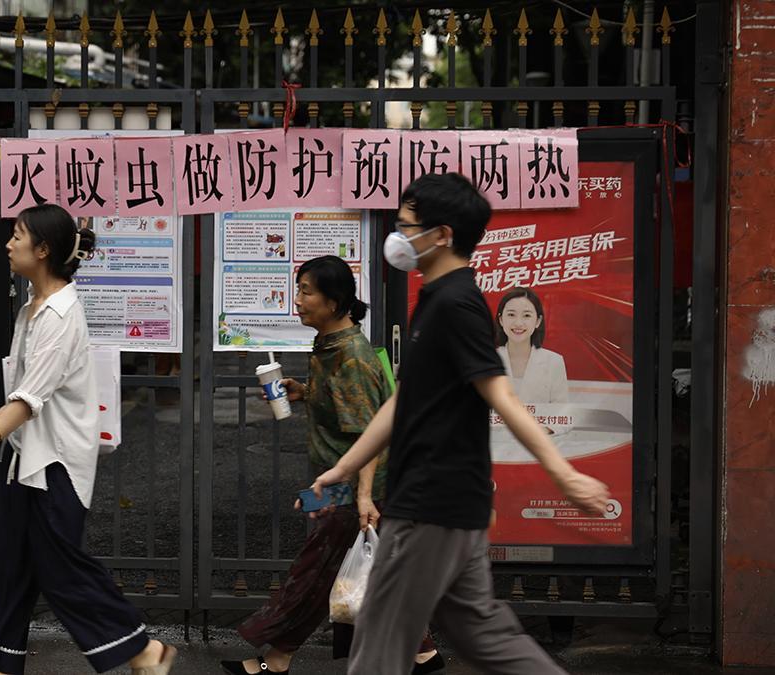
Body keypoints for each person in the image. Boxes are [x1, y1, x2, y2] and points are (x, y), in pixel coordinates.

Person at [311, 173, 610, 675]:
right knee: (482, 634)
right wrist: (344, 467)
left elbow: (502, 395)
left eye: (407, 226)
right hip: (449, 503)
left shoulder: (457, 304)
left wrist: (563, 474)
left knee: (379, 644)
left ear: (442, 235)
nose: (398, 236)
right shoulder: (436, 297)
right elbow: (405, 399)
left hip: (432, 502)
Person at [0, 204, 177, 675]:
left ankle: (143, 650)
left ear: (43, 250)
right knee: (10, 567)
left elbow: (29, 399)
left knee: (62, 569)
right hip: (28, 460)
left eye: (18, 236)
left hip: (55, 465)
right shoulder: (36, 306)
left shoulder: (58, 315)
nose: (8, 244)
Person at [220, 256, 442, 675]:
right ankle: (422, 653)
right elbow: (347, 407)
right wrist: (305, 392)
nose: (297, 301)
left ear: (336, 301)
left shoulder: (351, 357)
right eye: (298, 289)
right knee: (363, 574)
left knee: (315, 574)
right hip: (347, 483)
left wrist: (362, 499)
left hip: (357, 487)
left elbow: (367, 435)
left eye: (306, 291)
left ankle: (276, 660)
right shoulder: (332, 345)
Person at [495, 287, 569, 404]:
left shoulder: (554, 362)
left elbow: (560, 414)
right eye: (511, 314)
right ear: (501, 320)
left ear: (538, 321)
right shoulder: (485, 360)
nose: (518, 323)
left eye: (527, 316)